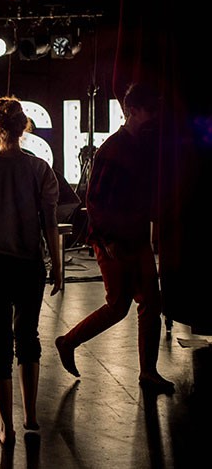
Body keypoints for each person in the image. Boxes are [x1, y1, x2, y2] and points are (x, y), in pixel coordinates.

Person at [55, 83, 175, 394]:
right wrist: (107, 239)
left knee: (149, 302)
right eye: (150, 110)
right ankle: (68, 342)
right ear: (132, 111)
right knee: (119, 305)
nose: (154, 116)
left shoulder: (138, 146)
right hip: (114, 241)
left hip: (134, 236)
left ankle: (148, 372)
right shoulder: (112, 150)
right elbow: (94, 202)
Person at [0, 96, 62, 446]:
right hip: (28, 265)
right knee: (28, 339)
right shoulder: (40, 170)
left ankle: (7, 428)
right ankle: (30, 417)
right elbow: (51, 224)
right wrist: (58, 267)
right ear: (23, 129)